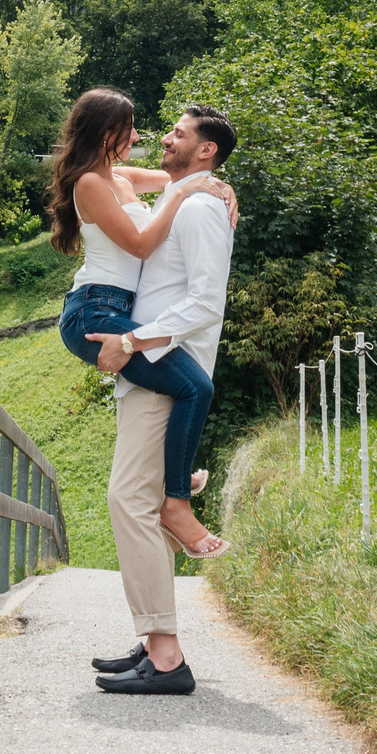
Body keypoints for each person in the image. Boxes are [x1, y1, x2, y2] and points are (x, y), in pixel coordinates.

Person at [85, 104, 237, 696]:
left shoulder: (201, 210)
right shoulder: (188, 197)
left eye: (179, 134)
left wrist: (131, 339)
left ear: (206, 151)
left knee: (128, 499)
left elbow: (205, 303)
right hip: (146, 370)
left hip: (164, 367)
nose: (165, 140)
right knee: (139, 499)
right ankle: (156, 645)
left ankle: (167, 656)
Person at [49, 89, 232, 530]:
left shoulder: (119, 176)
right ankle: (177, 498)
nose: (137, 134)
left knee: (189, 386)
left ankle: (173, 481)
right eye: (129, 127)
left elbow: (180, 178)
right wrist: (184, 196)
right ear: (106, 132)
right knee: (196, 387)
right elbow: (141, 244)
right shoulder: (90, 184)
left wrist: (219, 185)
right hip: (94, 311)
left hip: (116, 308)